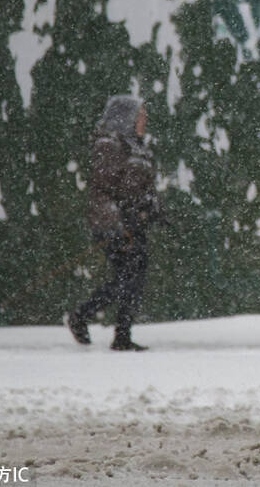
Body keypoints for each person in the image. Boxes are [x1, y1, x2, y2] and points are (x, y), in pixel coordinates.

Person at [68, 95, 162, 351]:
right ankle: (83, 315)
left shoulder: (136, 146)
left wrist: (153, 209)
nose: (144, 119)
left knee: (134, 277)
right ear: (126, 117)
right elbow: (104, 189)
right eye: (140, 114)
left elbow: (141, 186)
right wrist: (118, 223)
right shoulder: (110, 144)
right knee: (126, 278)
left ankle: (121, 335)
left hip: (133, 224)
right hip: (116, 225)